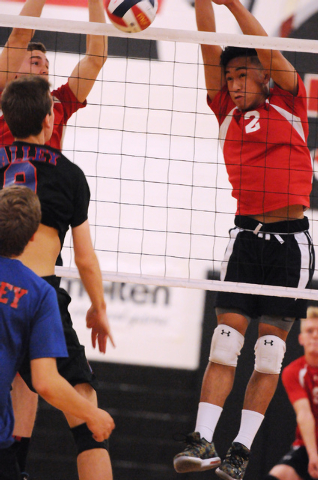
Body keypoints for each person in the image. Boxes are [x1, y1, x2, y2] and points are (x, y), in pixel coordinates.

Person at [173, 1, 315, 479]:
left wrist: (234, 3)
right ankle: (202, 439)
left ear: (262, 75)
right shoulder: (223, 109)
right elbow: (206, 44)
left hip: (291, 242)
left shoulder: (289, 99)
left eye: (242, 74)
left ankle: (240, 448)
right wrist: (205, 5)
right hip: (246, 237)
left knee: (271, 351)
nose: (233, 83)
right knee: (225, 342)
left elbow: (268, 48)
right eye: (228, 76)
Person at [0, 75, 115, 480]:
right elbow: (84, 257)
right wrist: (99, 309)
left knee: (12, 384)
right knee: (84, 410)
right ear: (50, 121)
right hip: (37, 293)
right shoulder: (69, 174)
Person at [0, 0, 107, 150]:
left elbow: (96, 59)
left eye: (47, 66)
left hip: (47, 173)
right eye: (35, 63)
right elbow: (19, 37)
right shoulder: (4, 93)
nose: (44, 70)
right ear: (15, 73)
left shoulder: (59, 102)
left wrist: (95, 2)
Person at [264, 307, 318, 480]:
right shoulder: (293, 371)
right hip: (308, 445)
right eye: (310, 331)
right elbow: (304, 414)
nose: (315, 336)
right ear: (301, 338)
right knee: (279, 475)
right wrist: (313, 455)